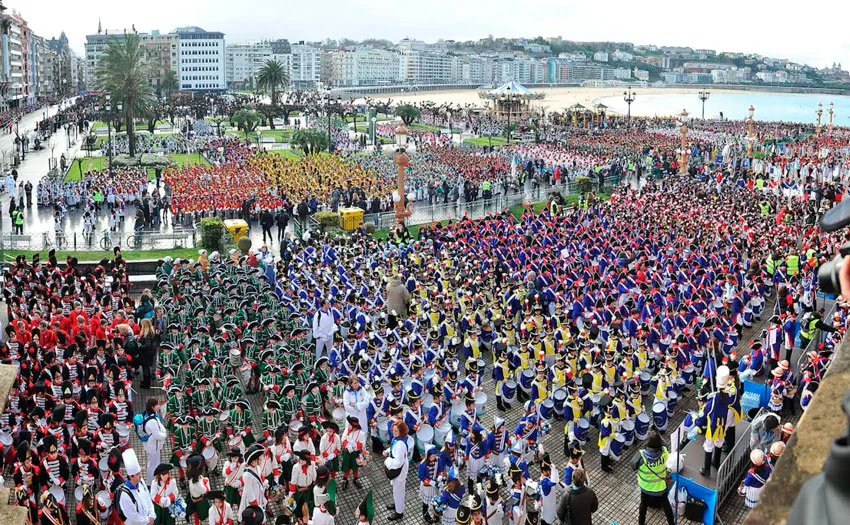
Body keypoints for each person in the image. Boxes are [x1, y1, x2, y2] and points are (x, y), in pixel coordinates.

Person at [632, 431, 674, 525]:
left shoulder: (640, 456)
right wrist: (659, 440)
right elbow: (665, 445)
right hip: (660, 488)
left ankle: (641, 522)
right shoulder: (664, 454)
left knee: (643, 505)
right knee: (666, 507)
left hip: (645, 487)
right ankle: (671, 523)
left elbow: (633, 466)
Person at [117, 449, 157, 525]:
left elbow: (148, 497)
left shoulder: (141, 481)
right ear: (131, 477)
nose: (140, 475)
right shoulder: (125, 496)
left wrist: (152, 514)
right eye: (137, 474)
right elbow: (133, 516)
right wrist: (147, 520)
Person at [384, 420, 410, 521]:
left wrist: (387, 461)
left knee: (398, 492)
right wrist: (387, 451)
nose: (394, 432)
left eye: (396, 431)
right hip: (399, 471)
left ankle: (399, 512)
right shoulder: (399, 439)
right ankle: (396, 504)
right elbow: (393, 448)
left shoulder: (400, 445)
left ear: (401, 431)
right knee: (396, 491)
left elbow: (398, 462)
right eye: (393, 430)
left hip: (399, 472)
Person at [142, 397, 168, 485]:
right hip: (154, 446)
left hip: (153, 445)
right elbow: (158, 435)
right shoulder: (152, 421)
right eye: (157, 404)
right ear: (152, 407)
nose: (159, 406)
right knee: (153, 465)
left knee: (152, 463)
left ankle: (152, 480)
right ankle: (151, 482)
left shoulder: (150, 415)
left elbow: (160, 426)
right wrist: (165, 434)